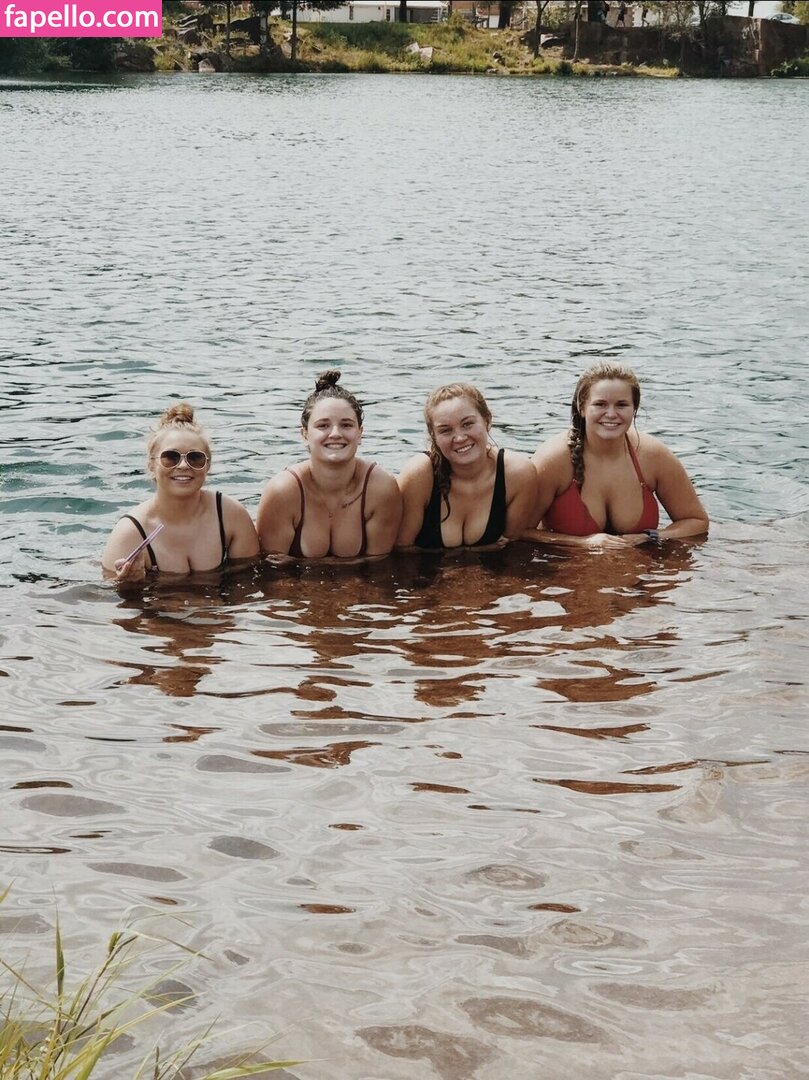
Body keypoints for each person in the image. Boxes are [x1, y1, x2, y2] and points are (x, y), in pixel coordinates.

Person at [525, 362, 708, 549]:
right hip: (566, 563)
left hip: (636, 564)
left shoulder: (653, 455)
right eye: (600, 404)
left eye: (621, 405)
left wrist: (651, 537)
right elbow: (518, 531)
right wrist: (582, 543)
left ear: (634, 409)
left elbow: (696, 521)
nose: (611, 414)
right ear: (582, 407)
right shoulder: (553, 459)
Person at [102, 403, 259, 580]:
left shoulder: (232, 515)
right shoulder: (130, 533)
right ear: (151, 465)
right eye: (171, 457)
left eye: (195, 457)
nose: (183, 465)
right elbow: (109, 592)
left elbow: (249, 583)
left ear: (207, 465)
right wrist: (131, 586)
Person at [257, 370, 402, 559]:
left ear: (360, 433)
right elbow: (272, 571)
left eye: (346, 425)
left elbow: (379, 568)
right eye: (323, 425)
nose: (335, 434)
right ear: (304, 435)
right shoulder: (282, 492)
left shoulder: (381, 488)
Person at [396, 383, 537, 550]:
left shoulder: (518, 473)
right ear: (433, 436)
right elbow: (402, 550)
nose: (460, 438)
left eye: (467, 424)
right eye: (445, 430)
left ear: (487, 421)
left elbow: (511, 547)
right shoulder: (419, 475)